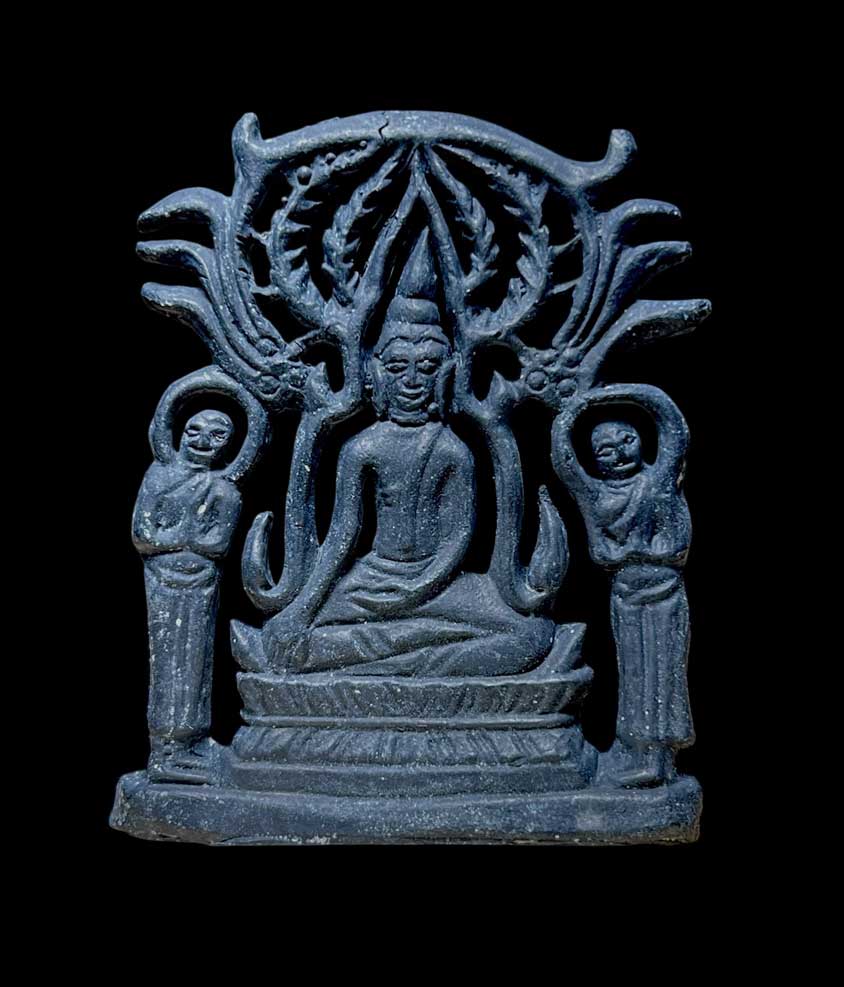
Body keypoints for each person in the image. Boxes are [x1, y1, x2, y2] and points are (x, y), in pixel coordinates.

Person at [259, 260, 558, 677]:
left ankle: (387, 662)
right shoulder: (362, 447)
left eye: (428, 368)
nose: (413, 381)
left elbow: (457, 537)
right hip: (372, 581)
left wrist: (421, 586)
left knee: (533, 636)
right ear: (376, 373)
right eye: (399, 367)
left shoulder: (452, 450)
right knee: (283, 641)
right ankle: (421, 656)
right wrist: (303, 607)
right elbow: (343, 533)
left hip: (441, 583)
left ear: (447, 375)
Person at [552, 388, 693, 786]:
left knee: (661, 676)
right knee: (634, 678)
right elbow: (564, 461)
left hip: (663, 594)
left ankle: (659, 760)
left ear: (642, 440)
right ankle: (634, 752)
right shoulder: (596, 494)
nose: (618, 453)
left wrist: (618, 393)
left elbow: (672, 424)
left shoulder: (657, 481)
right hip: (627, 596)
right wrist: (573, 409)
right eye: (605, 450)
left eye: (627, 440)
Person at [133, 410, 241, 782]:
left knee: (195, 662)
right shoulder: (159, 476)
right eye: (194, 430)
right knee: (169, 661)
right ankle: (165, 751)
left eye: (217, 434)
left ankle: (190, 743)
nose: (202, 440)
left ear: (230, 446)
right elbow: (143, 535)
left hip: (200, 584)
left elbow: (217, 544)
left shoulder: (225, 491)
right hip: (164, 582)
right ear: (179, 433)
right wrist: (187, 538)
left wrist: (179, 538)